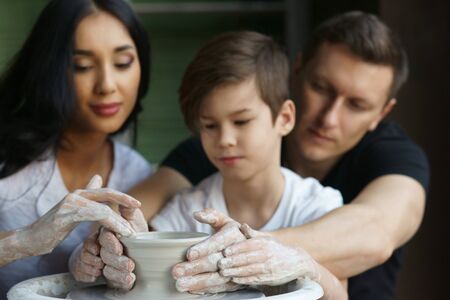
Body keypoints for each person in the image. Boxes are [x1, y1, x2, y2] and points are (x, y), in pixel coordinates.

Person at [75, 11, 429, 300]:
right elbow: (136, 211)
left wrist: (242, 254)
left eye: (357, 105)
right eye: (321, 88)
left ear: (382, 113)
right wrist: (108, 245)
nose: (329, 117)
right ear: (298, 69)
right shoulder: (216, 146)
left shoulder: (392, 156)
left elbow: (377, 234)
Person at [0, 0, 152, 297]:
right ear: (49, 69)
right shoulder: (7, 163)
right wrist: (28, 239)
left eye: (122, 63)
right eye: (82, 66)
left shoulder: (137, 172)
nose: (107, 85)